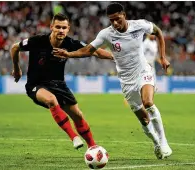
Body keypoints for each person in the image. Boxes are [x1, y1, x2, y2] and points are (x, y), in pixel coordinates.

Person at [53, 3, 172, 159]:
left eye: (117, 19)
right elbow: (87, 50)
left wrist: (163, 57)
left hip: (143, 71)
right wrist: (69, 54)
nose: (115, 23)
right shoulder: (106, 34)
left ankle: (164, 142)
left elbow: (158, 32)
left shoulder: (140, 25)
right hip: (126, 80)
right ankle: (156, 142)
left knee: (148, 102)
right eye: (111, 20)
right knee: (143, 118)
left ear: (123, 15)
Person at [10, 13, 113, 150]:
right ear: (51, 27)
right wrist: (17, 69)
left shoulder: (70, 43)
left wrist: (117, 58)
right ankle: (73, 137)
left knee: (78, 116)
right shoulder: (37, 41)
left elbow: (95, 52)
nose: (61, 30)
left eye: (64, 27)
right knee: (51, 100)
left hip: (59, 85)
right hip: (36, 85)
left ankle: (93, 147)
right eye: (58, 27)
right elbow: (14, 48)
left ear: (68, 28)